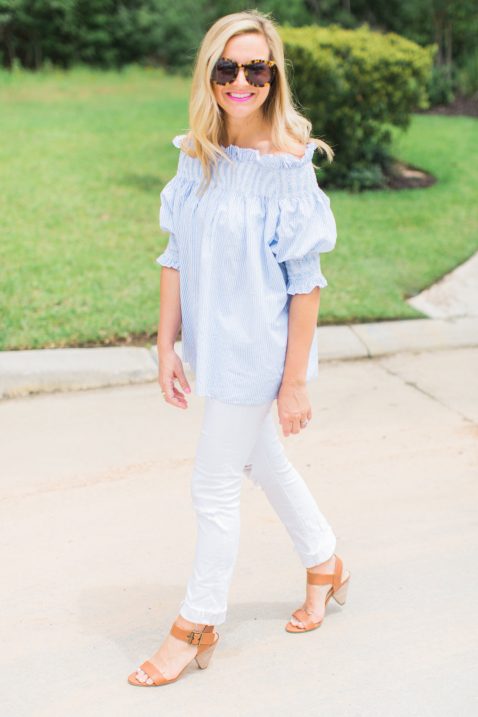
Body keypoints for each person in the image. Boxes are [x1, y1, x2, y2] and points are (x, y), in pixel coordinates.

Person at [128, 8, 351, 688]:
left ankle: (198, 620)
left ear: (273, 74)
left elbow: (305, 284)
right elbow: (174, 254)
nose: (242, 81)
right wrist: (166, 344)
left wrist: (294, 383)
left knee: (214, 484)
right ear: (210, 74)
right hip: (213, 348)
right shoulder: (196, 154)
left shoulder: (289, 167)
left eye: (257, 68)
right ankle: (324, 561)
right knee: (264, 462)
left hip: (260, 353)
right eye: (228, 68)